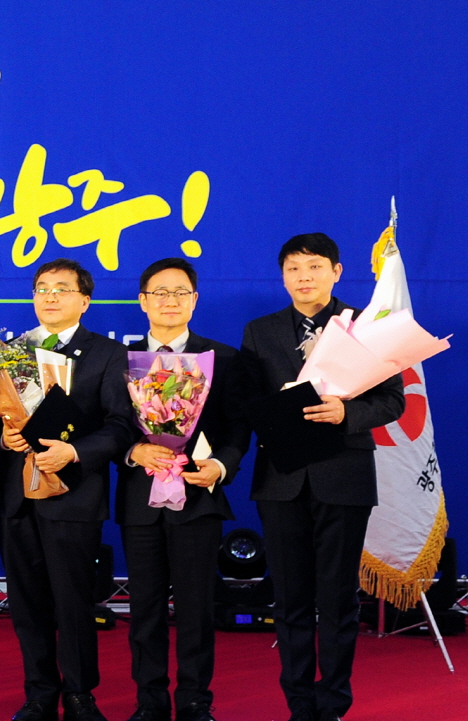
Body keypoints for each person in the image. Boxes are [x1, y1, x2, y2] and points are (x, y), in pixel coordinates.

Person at [233, 233, 402, 721]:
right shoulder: (260, 331)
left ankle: (333, 703)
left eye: (313, 267)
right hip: (281, 479)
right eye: (293, 268)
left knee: (338, 598)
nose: (303, 277)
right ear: (283, 276)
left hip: (344, 474)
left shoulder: (366, 327)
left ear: (336, 271)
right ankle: (299, 704)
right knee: (289, 598)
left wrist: (346, 412)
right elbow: (247, 404)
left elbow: (393, 401)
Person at [0, 259, 134, 721]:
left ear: (84, 300)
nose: (50, 296)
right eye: (42, 288)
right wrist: (6, 438)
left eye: (61, 288)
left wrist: (74, 452)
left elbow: (120, 426)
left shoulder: (107, 353)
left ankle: (79, 693)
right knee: (26, 603)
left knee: (73, 602)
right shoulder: (12, 351)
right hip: (18, 497)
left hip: (74, 495)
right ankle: (39, 693)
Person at [114, 258, 247, 721]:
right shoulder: (120, 360)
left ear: (194, 300)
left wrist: (221, 466)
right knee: (145, 609)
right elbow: (108, 427)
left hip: (198, 497)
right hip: (140, 501)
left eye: (180, 293)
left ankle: (194, 700)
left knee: (196, 608)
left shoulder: (223, 359)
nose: (169, 301)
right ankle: (149, 701)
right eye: (160, 293)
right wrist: (134, 451)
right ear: (143, 301)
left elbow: (238, 429)